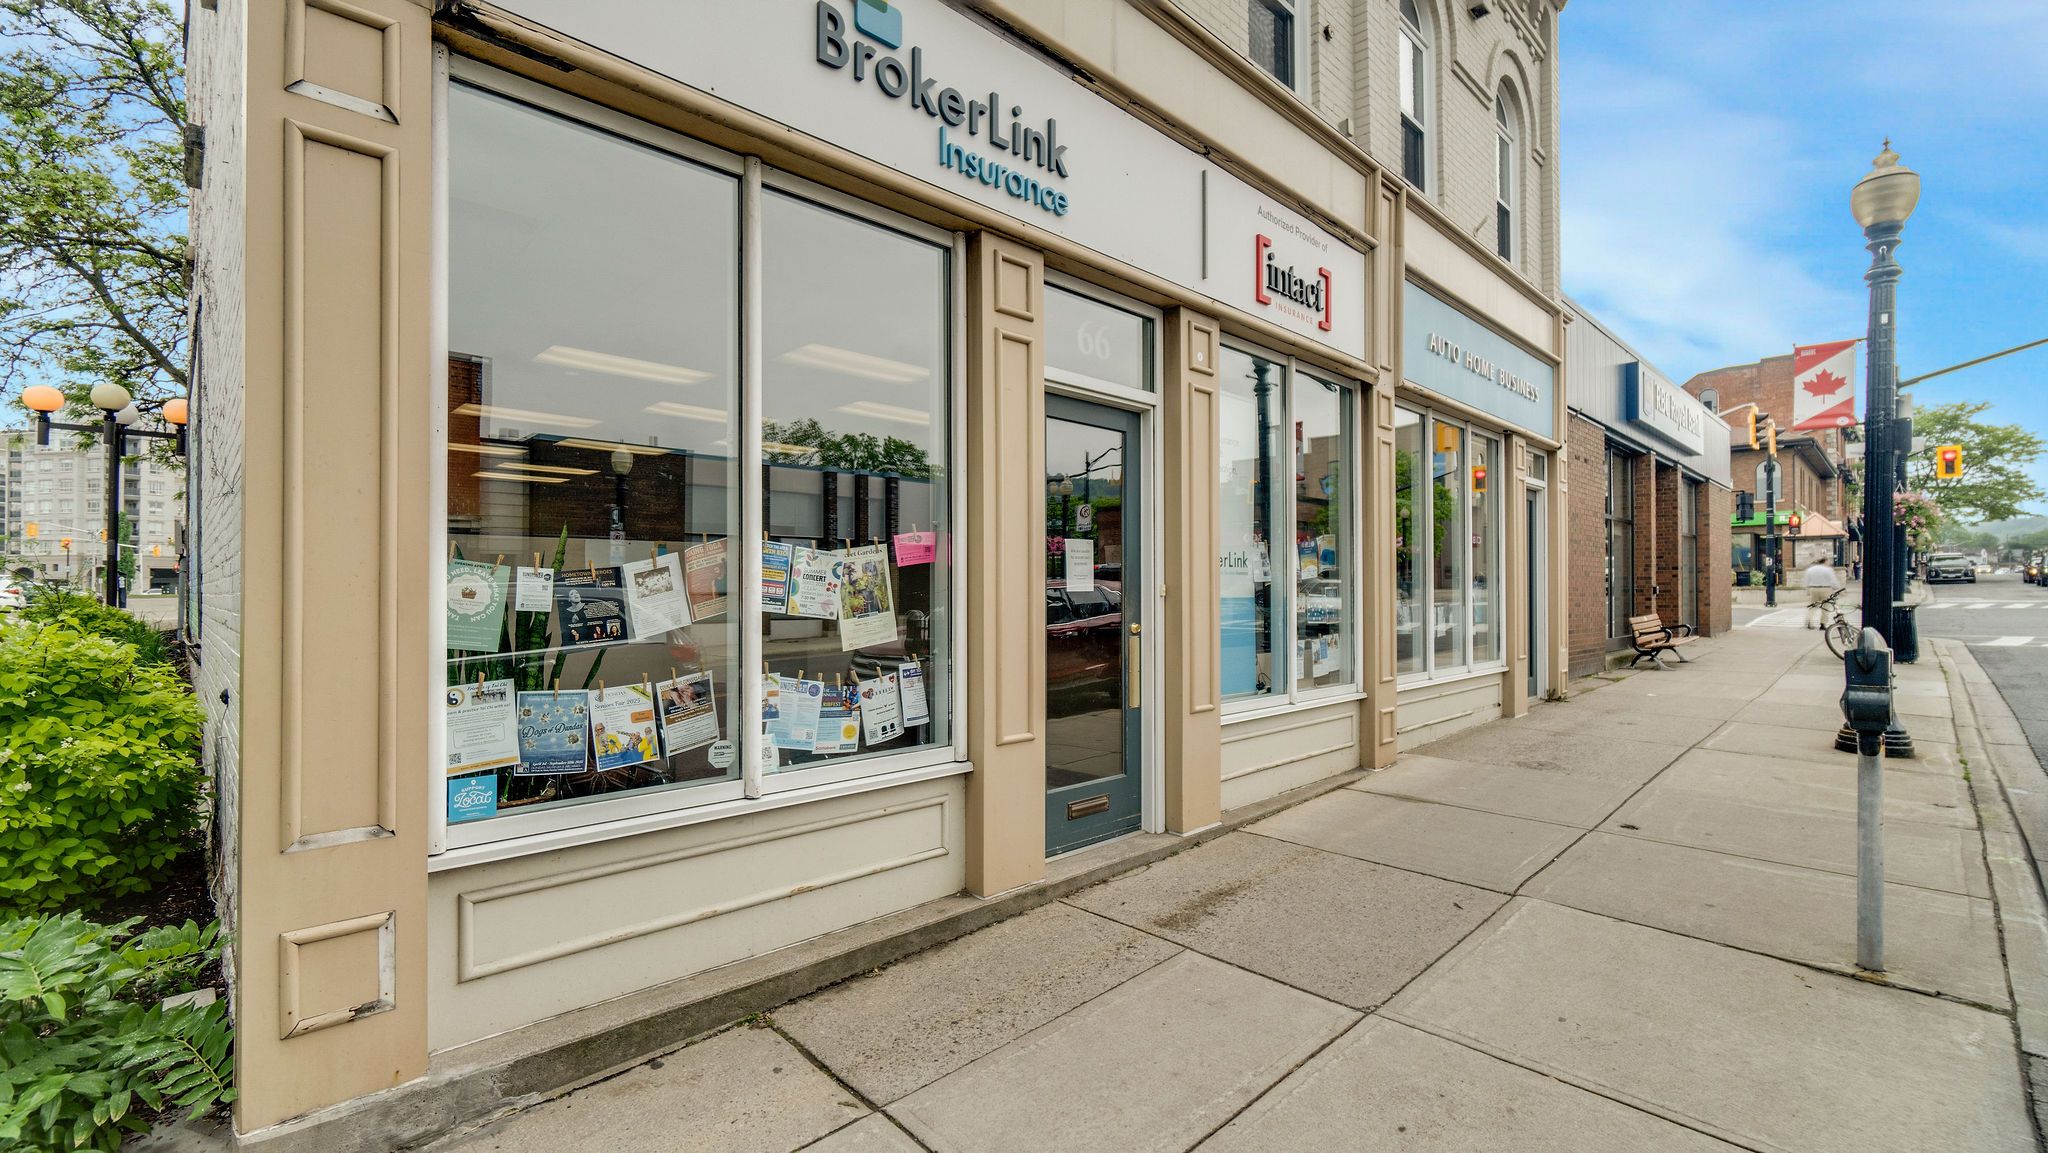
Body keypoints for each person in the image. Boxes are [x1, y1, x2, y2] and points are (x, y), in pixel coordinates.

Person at [1803, 559, 1841, 629]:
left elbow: (1806, 581)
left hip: (1813, 589)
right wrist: (1837, 588)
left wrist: (1807, 591)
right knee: (1826, 607)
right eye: (1828, 562)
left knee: (1813, 606)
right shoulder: (1828, 570)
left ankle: (1809, 622)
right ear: (1824, 562)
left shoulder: (1810, 570)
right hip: (1826, 589)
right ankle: (1823, 624)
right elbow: (1833, 580)